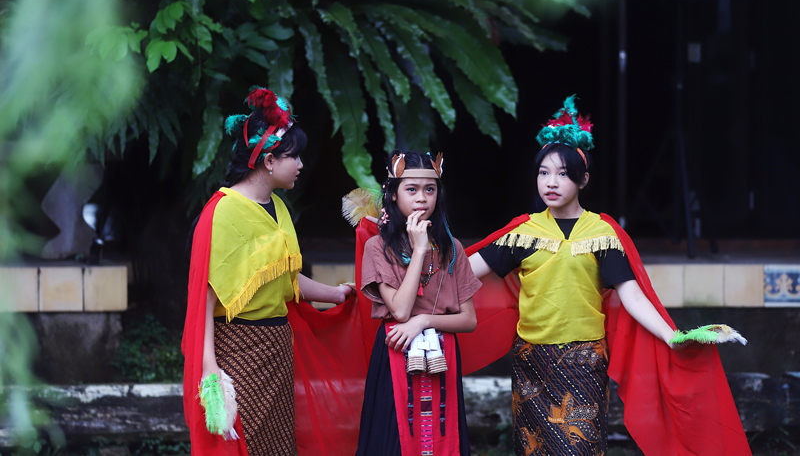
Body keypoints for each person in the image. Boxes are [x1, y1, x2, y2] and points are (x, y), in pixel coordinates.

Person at [466, 96, 751, 456]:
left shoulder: (602, 233)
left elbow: (631, 296)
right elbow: (463, 272)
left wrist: (672, 336)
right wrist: (409, 254)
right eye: (543, 172)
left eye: (563, 174)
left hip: (585, 362)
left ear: (583, 179)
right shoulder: (523, 232)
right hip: (532, 362)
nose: (551, 182)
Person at [182, 87, 353, 456]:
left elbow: (287, 281)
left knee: (277, 448)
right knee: (243, 445)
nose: (302, 165)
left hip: (277, 348)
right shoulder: (223, 213)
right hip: (238, 350)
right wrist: (209, 368)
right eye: (296, 157)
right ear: (270, 160)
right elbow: (205, 296)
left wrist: (335, 294)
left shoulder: (278, 206)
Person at [355, 151, 480, 456]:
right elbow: (399, 310)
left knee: (442, 435)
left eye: (430, 189)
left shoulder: (452, 248)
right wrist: (420, 250)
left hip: (442, 355)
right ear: (393, 195)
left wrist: (424, 321)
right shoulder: (378, 247)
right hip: (396, 353)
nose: (422, 198)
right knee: (393, 439)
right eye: (411, 189)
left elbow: (469, 320)